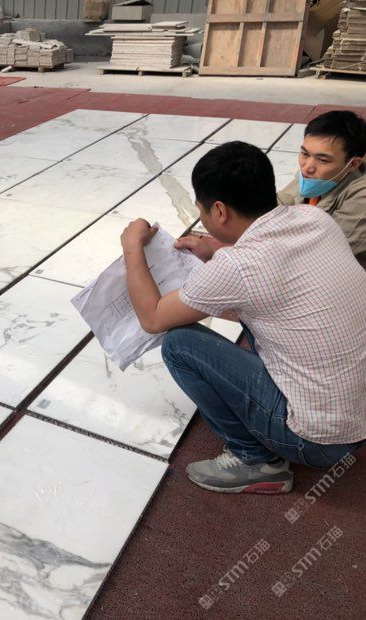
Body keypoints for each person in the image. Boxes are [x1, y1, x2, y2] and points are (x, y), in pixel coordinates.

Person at [120, 141, 366, 494]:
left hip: (318, 443)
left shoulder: (237, 266)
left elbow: (153, 318)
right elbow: (273, 269)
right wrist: (217, 249)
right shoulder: (315, 219)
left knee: (179, 344)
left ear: (219, 210)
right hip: (358, 415)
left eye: (202, 210)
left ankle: (254, 460)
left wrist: (131, 246)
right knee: (259, 314)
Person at [181, 111, 366, 268]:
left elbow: (314, 256)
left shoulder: (361, 196)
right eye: (304, 154)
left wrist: (218, 256)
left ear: (353, 164)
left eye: (323, 160)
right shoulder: (311, 178)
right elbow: (268, 213)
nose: (307, 167)